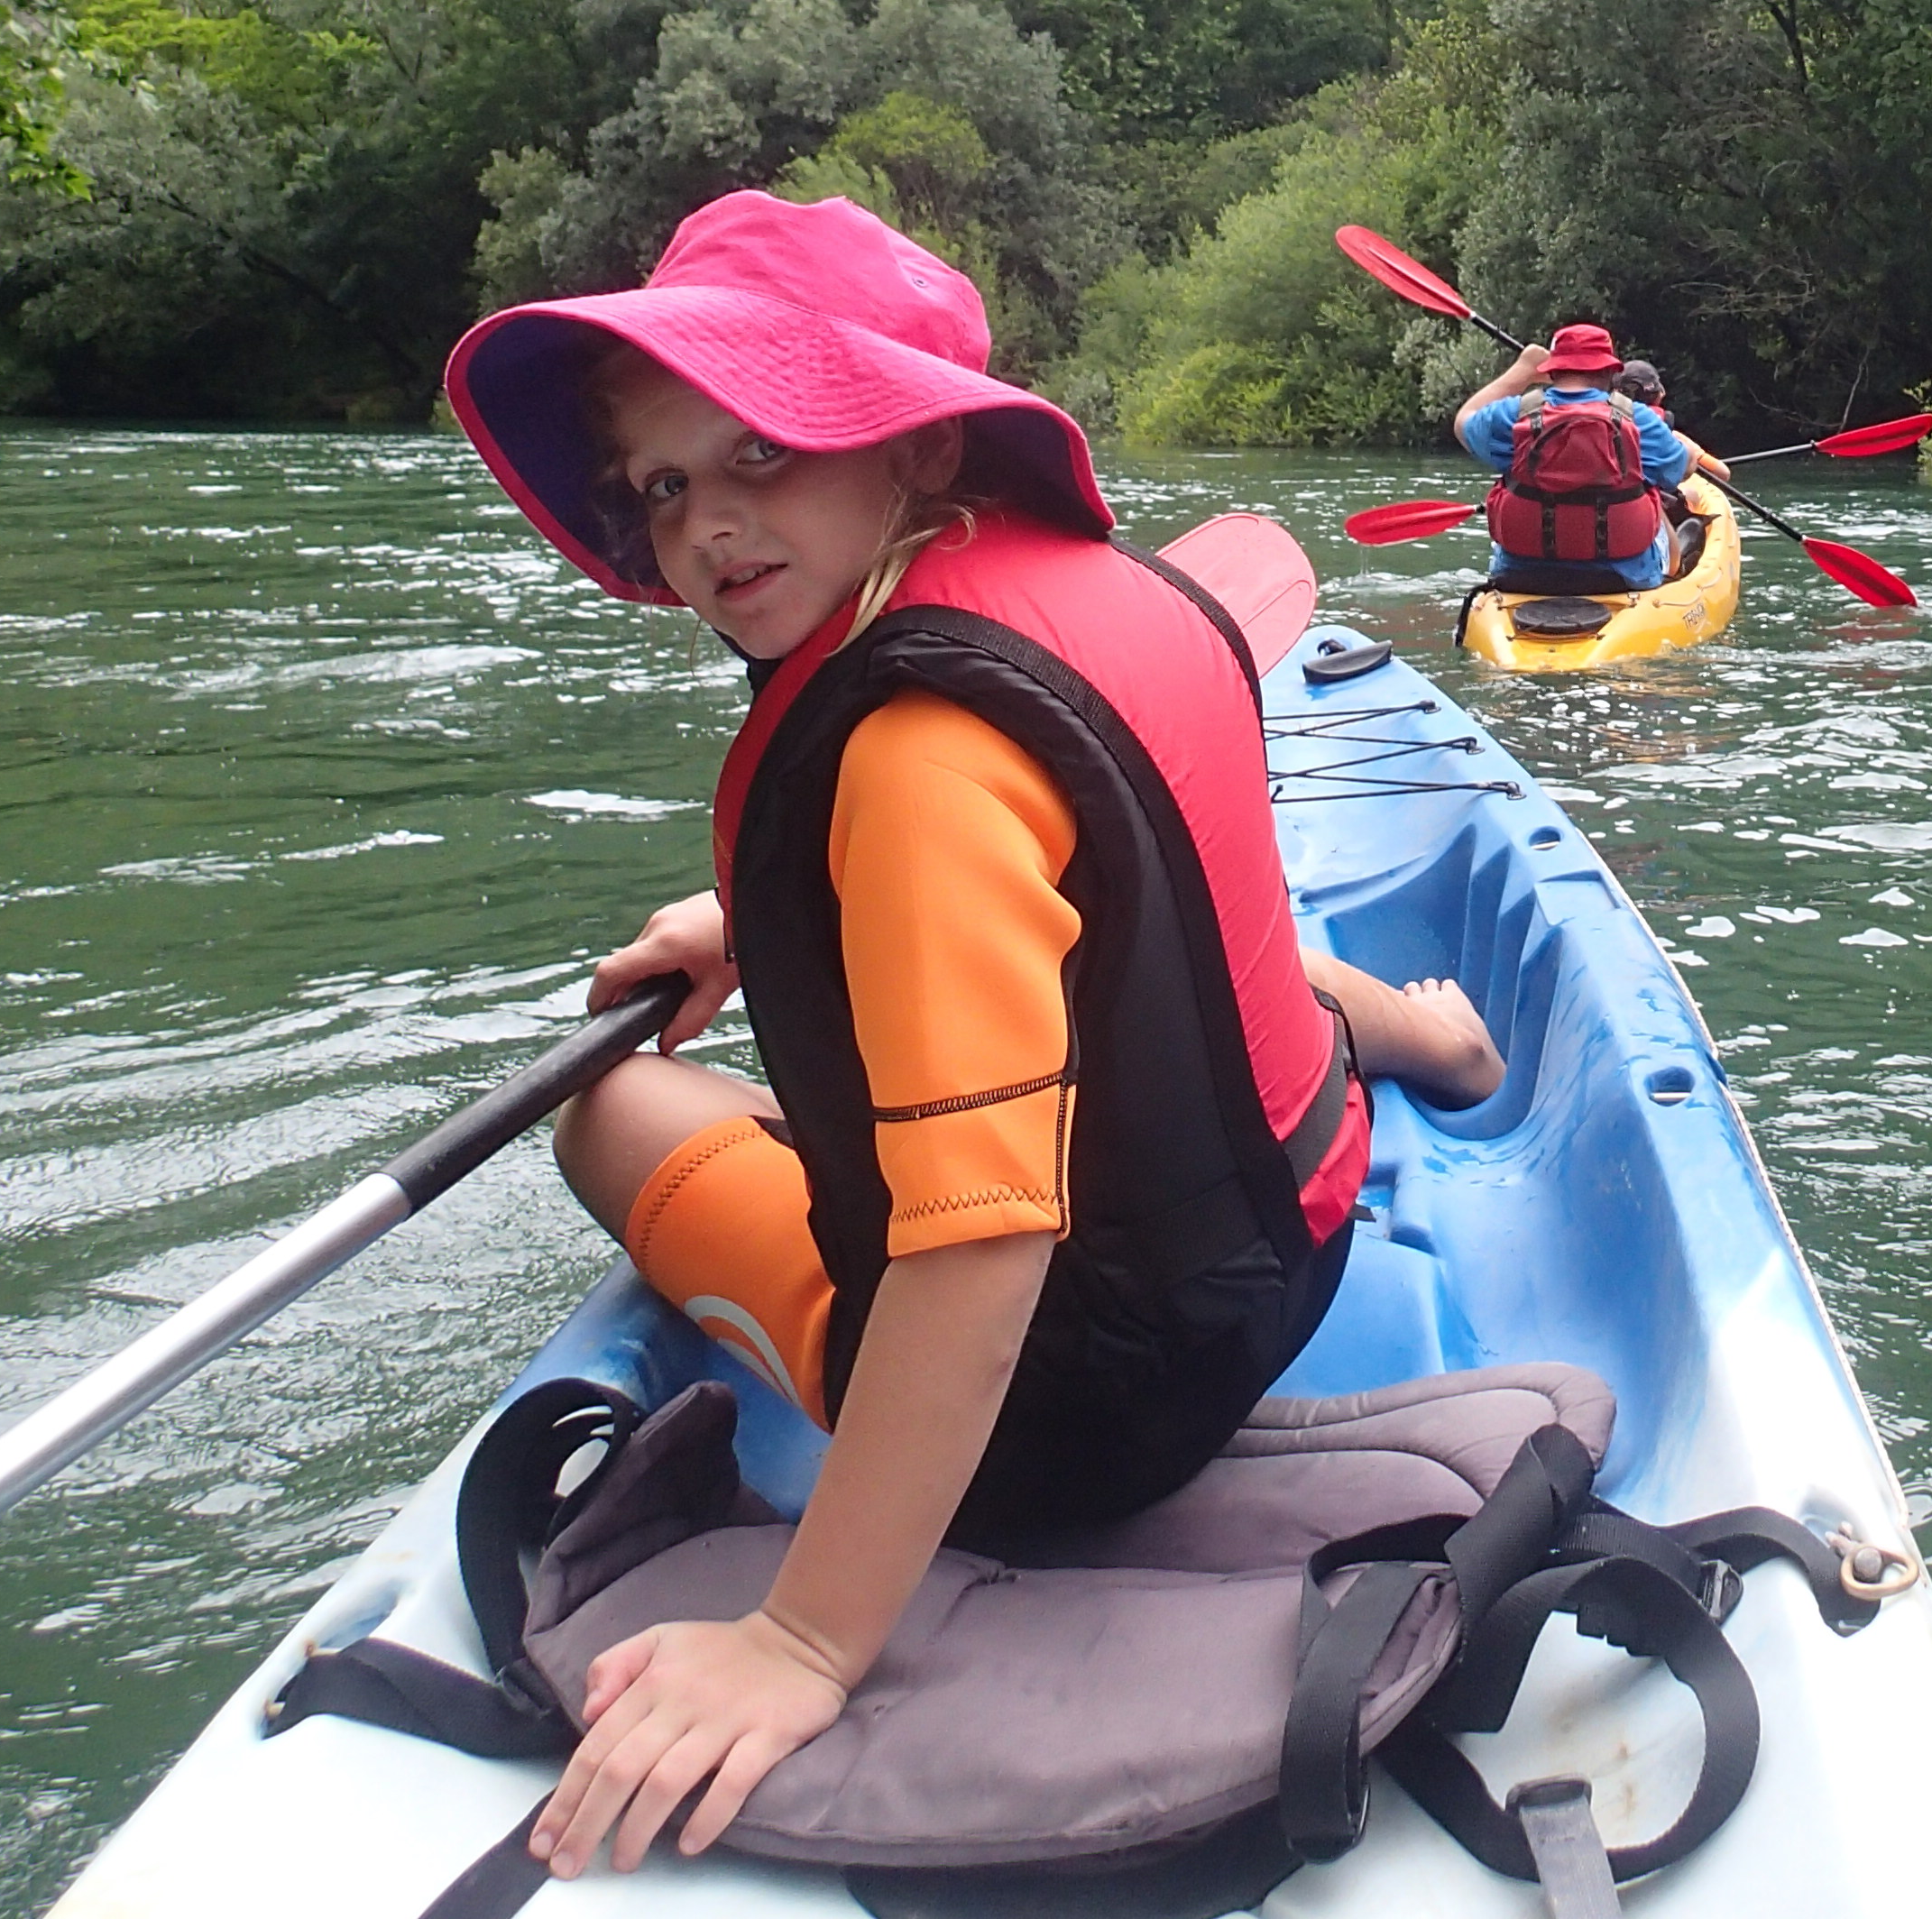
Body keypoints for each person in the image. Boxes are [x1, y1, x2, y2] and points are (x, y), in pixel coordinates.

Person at [442, 189, 1502, 1883]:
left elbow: (980, 1257)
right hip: (1288, 1243)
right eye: (663, 486)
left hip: (1083, 1415)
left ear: (919, 449)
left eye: (761, 450)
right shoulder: (1104, 589)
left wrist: (803, 1641)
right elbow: (1103, 873)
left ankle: (1359, 1041)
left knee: (615, 1114)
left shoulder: (913, 757)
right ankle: (1407, 1034)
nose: (707, 526)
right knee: (1171, 960)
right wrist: (758, 919)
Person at [1455, 321, 1693, 592]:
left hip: (1522, 576)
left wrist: (1522, 372)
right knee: (1652, 494)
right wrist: (1688, 453)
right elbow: (1680, 470)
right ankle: (1674, 573)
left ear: (1552, 371)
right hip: (1622, 579)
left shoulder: (1513, 416)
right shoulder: (1640, 420)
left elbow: (1462, 423)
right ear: (1610, 371)